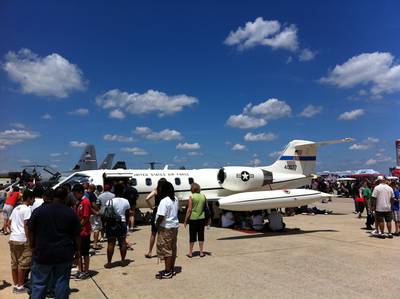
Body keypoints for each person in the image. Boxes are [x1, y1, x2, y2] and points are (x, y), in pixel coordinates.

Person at [29, 187, 81, 299]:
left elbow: (31, 230)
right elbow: (77, 235)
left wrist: (32, 246)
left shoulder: (39, 211)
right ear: (66, 197)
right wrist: (77, 250)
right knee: (61, 283)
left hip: (42, 253)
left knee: (39, 284)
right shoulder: (70, 213)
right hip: (63, 254)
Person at [8, 189, 34, 294]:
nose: (33, 201)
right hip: (23, 239)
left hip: (13, 238)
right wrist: (29, 239)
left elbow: (9, 222)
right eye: (32, 198)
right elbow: (26, 225)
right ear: (28, 198)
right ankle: (20, 286)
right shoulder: (27, 209)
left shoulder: (16, 208)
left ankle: (15, 285)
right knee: (22, 265)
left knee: (14, 263)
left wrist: (14, 231)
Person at [155, 181, 179, 279]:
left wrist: (157, 225)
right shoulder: (175, 199)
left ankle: (167, 271)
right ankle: (171, 268)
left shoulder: (164, 201)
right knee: (172, 248)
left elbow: (161, 216)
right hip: (174, 226)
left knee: (166, 250)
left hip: (166, 228)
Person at [104, 183, 130, 268]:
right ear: (122, 191)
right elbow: (127, 214)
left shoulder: (110, 201)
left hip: (111, 223)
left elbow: (106, 214)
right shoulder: (126, 201)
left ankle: (109, 263)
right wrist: (126, 224)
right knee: (122, 242)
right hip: (122, 222)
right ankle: (123, 261)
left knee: (111, 243)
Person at [72, 184, 92, 279]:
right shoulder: (78, 202)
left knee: (85, 252)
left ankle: (86, 270)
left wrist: (79, 227)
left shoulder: (85, 202)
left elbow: (86, 217)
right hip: (78, 231)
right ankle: (80, 269)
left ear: (80, 192)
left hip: (84, 231)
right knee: (78, 252)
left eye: (75, 193)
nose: (74, 195)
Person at [184, 183, 208, 258]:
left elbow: (189, 209)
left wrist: (185, 220)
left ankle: (190, 253)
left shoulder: (191, 196)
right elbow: (206, 208)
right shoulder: (203, 196)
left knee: (192, 236)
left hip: (193, 219)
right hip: (202, 218)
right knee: (201, 235)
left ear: (192, 189)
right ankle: (201, 252)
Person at [145, 178, 167, 259]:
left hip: (156, 211)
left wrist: (151, 207)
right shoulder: (167, 192)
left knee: (153, 233)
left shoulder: (156, 190)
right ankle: (163, 253)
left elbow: (147, 199)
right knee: (163, 234)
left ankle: (150, 251)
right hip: (164, 213)